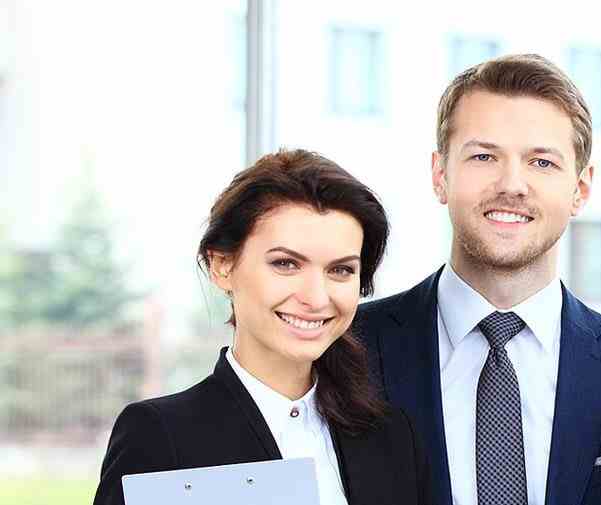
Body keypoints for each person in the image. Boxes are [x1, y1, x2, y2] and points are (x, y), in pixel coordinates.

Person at [352, 53, 601, 505]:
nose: (512, 184)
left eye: (541, 162)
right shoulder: (348, 349)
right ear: (440, 175)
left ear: (580, 189)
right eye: (484, 156)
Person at [94, 149, 428, 505]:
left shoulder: (391, 435)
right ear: (222, 266)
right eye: (286, 264)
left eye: (340, 270)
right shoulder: (161, 435)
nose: (316, 297)